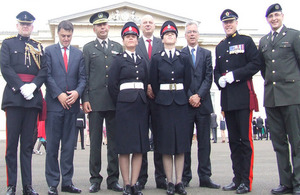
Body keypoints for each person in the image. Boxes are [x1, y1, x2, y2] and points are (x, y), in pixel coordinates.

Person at [214, 9, 260, 194]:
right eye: (225, 22)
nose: (228, 25)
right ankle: (237, 177)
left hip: (242, 98)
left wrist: (235, 75)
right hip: (228, 100)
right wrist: (219, 80)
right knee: (233, 142)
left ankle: (246, 181)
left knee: (245, 141)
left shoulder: (246, 41)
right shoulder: (220, 46)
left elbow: (255, 64)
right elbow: (217, 70)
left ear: (236, 22)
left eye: (230, 21)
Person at [1, 11, 47, 195]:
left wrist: (34, 86)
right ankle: (11, 184)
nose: (26, 27)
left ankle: (27, 185)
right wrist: (21, 87)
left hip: (32, 99)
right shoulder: (8, 43)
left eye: (28, 24)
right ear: (18, 26)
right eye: (23, 24)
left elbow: (44, 70)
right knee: (11, 144)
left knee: (27, 145)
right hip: (14, 98)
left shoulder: (38, 46)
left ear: (32, 27)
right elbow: (5, 67)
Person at [258, 3, 300, 195]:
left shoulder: (293, 35)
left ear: (282, 16)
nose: (274, 19)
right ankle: (286, 182)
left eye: (276, 15)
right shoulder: (264, 41)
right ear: (267, 20)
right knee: (279, 144)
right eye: (270, 16)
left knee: (296, 142)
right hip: (272, 98)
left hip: (291, 97)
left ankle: (298, 183)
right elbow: (264, 70)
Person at [82, 11, 123, 193]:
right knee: (96, 143)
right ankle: (95, 179)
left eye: (105, 25)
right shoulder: (88, 48)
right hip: (95, 103)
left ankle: (113, 179)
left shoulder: (117, 47)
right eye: (99, 25)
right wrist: (85, 99)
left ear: (108, 26)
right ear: (94, 29)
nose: (103, 28)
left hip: (114, 103)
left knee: (114, 143)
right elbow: (84, 76)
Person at [150, 20, 191, 195]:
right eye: (167, 34)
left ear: (176, 37)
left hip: (180, 103)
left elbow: (188, 80)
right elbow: (154, 82)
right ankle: (169, 181)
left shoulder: (184, 57)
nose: (170, 37)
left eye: (172, 34)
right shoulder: (157, 58)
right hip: (164, 104)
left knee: (180, 144)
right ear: (162, 38)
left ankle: (179, 181)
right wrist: (163, 97)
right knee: (166, 145)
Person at [45, 20, 86, 195]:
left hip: (72, 106)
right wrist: (59, 94)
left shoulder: (79, 54)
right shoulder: (49, 51)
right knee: (53, 146)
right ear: (58, 34)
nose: (66, 39)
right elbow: (46, 75)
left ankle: (67, 182)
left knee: (69, 147)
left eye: (69, 36)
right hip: (54, 106)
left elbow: (83, 78)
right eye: (63, 36)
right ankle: (53, 183)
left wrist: (77, 93)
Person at [108, 21, 149, 195]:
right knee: (124, 147)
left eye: (133, 36)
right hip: (124, 107)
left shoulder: (142, 60)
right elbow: (112, 85)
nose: (131, 39)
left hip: (141, 106)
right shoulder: (118, 60)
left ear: (137, 40)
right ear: (123, 40)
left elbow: (145, 83)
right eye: (127, 37)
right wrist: (122, 101)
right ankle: (126, 184)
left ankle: (134, 183)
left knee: (139, 146)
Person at [181, 21, 220, 189]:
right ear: (185, 35)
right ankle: (185, 177)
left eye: (194, 32)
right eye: (189, 32)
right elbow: (181, 79)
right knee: (185, 143)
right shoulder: (180, 54)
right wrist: (191, 96)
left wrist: (199, 96)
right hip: (186, 105)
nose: (192, 34)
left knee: (204, 143)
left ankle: (205, 176)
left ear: (198, 34)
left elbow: (208, 77)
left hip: (203, 105)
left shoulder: (206, 54)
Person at [135, 14, 166, 190]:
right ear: (141, 26)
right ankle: (141, 177)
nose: (147, 25)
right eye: (145, 22)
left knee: (159, 137)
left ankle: (161, 177)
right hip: (140, 98)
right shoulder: (134, 42)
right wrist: (146, 85)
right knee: (142, 139)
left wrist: (154, 86)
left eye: (150, 22)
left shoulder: (162, 43)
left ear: (155, 26)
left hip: (158, 98)